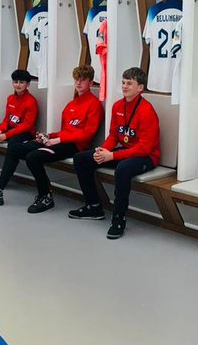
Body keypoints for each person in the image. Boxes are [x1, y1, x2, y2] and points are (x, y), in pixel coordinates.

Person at [0, 65, 102, 211]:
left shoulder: (94, 105)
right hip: (60, 141)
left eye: (83, 80)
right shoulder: (71, 105)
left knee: (33, 157)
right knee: (15, 148)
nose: (79, 83)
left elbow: (87, 134)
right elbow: (65, 131)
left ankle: (45, 196)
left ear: (91, 83)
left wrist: (58, 140)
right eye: (76, 79)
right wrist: (48, 136)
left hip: (75, 147)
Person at [69, 66, 161, 239]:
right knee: (81, 159)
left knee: (123, 169)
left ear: (140, 88)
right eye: (123, 82)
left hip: (146, 157)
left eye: (129, 83)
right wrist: (104, 150)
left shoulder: (146, 110)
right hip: (125, 151)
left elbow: (145, 148)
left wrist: (112, 156)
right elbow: (114, 135)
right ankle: (93, 206)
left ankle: (119, 219)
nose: (124, 86)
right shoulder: (118, 105)